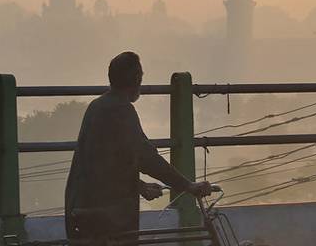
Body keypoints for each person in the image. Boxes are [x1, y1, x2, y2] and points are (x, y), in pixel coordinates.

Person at [64, 51, 211, 244]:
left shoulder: (97, 106)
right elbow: (145, 157)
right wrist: (187, 185)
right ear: (137, 80)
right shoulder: (121, 110)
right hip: (106, 217)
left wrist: (139, 186)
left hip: (81, 208)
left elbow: (107, 165)